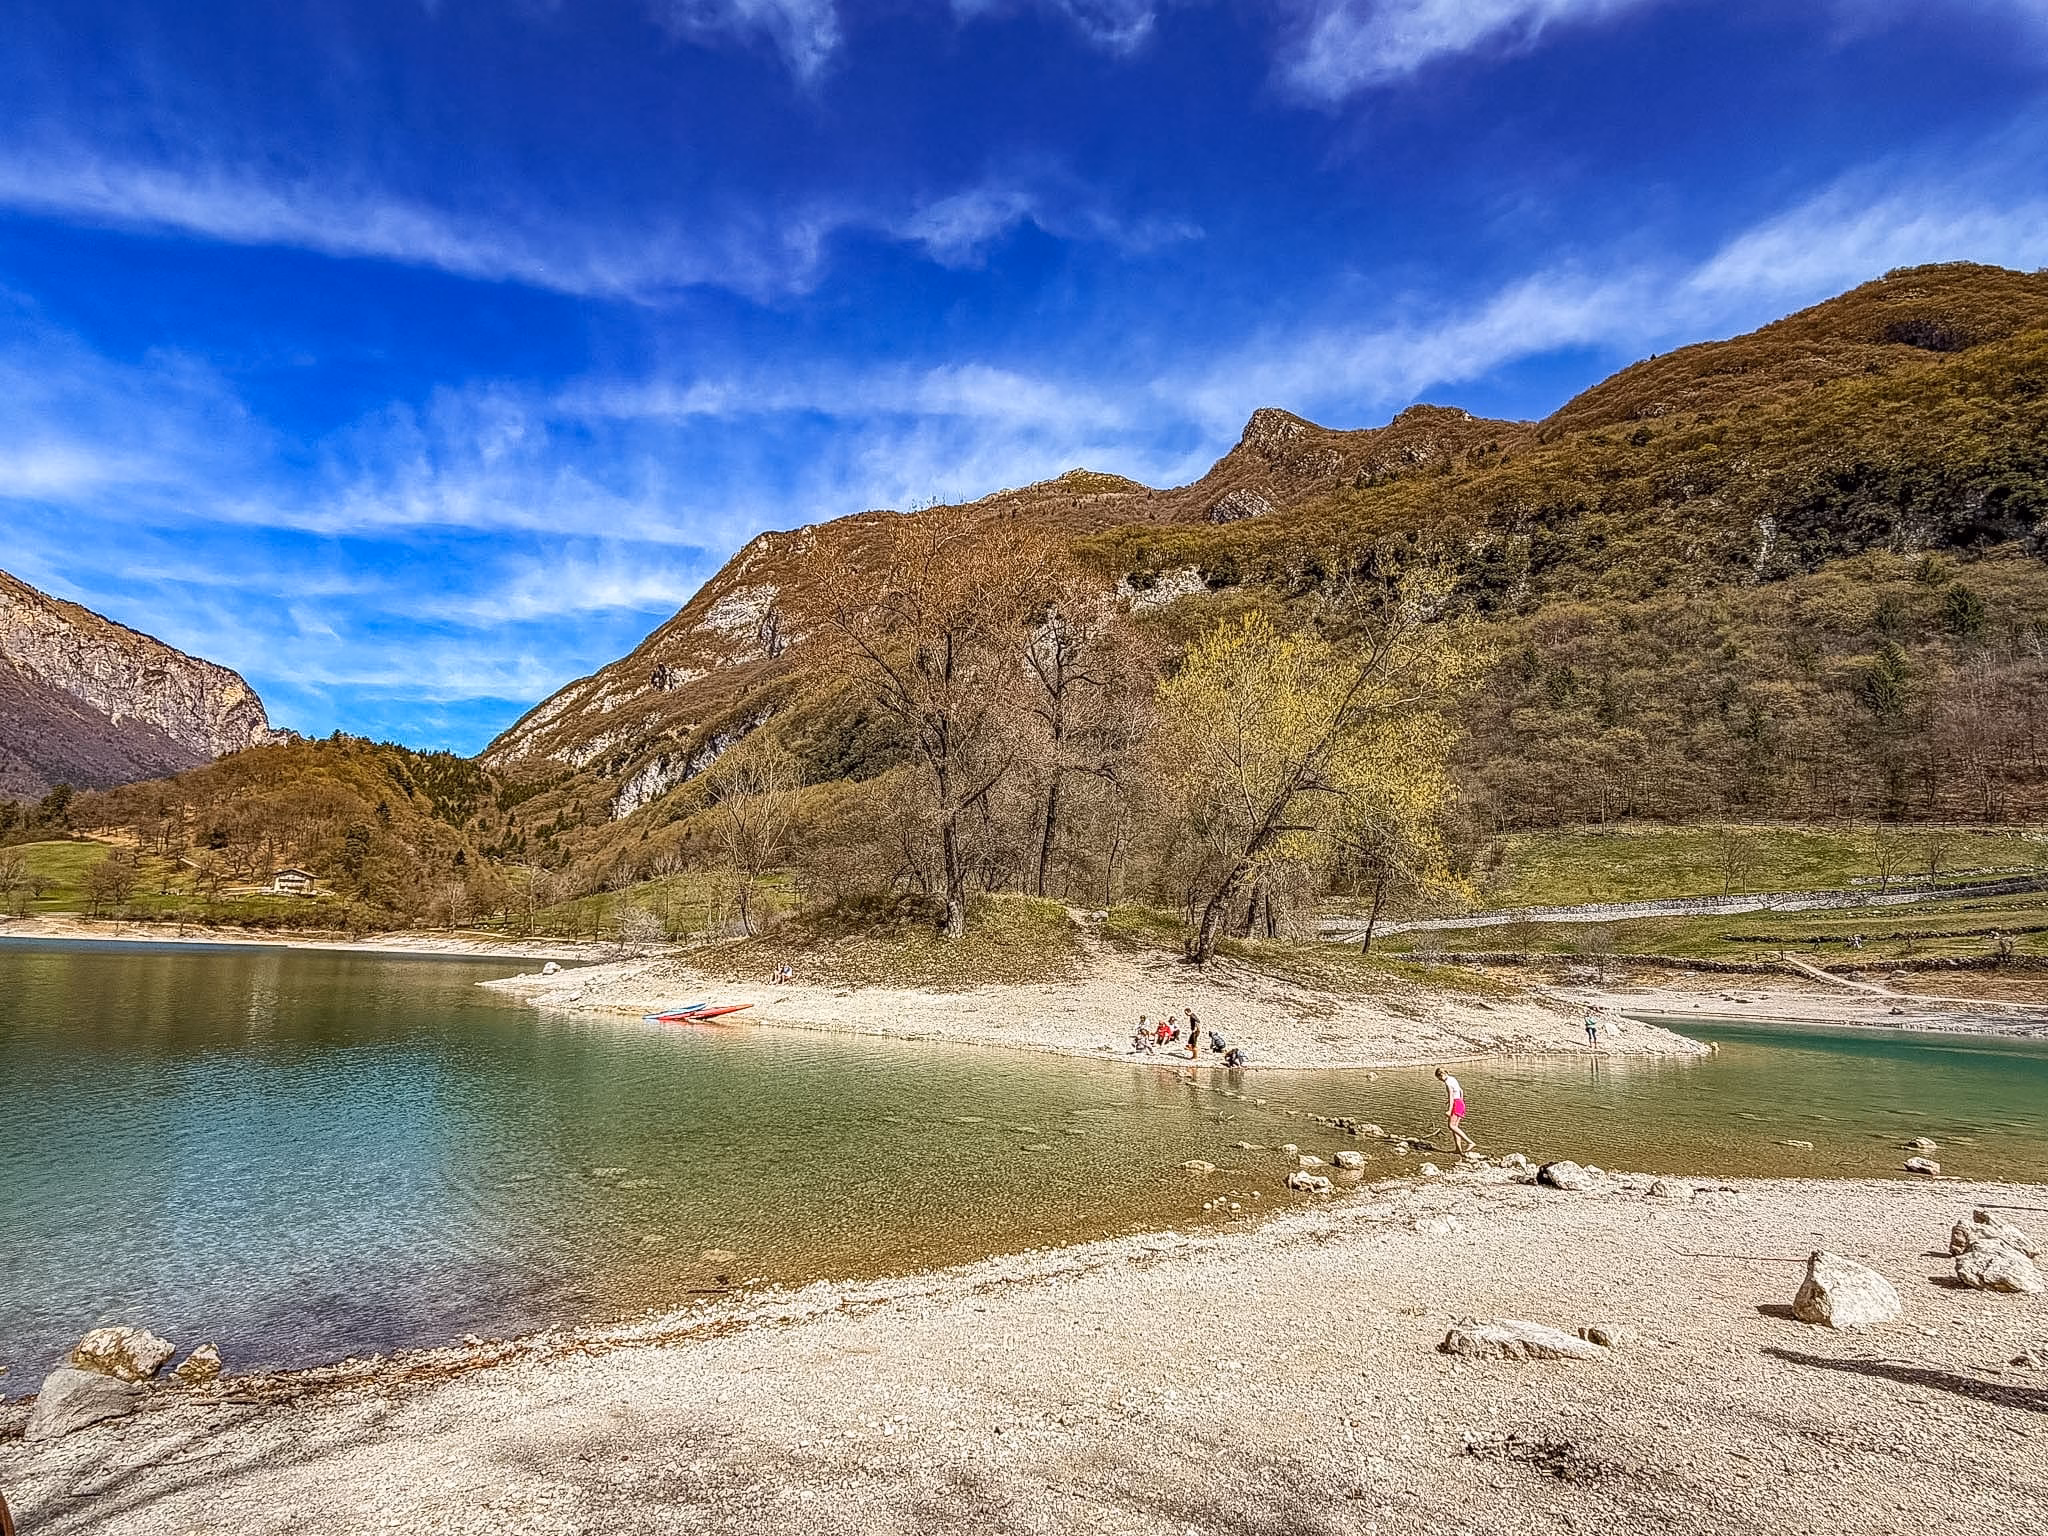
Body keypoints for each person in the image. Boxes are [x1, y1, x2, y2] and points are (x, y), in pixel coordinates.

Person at [1436, 1066, 1476, 1153]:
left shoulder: (1447, 1083)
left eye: (1439, 1078)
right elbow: (1461, 1091)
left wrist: (1449, 1110)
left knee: (1451, 1126)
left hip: (1456, 1104)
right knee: (1455, 1127)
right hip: (1460, 1103)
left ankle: (1470, 1142)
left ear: (1441, 1075)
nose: (1440, 1080)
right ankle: (1458, 1149)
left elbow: (1451, 1097)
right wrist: (1460, 1101)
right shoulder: (1453, 1079)